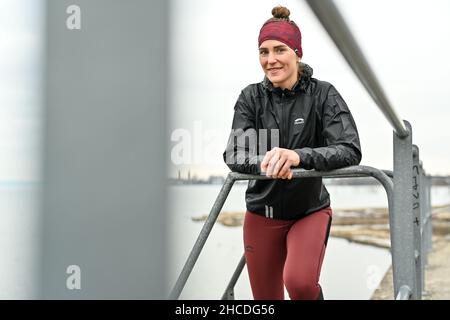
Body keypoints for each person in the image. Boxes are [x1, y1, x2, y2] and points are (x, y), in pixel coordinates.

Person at [223, 6, 362, 300]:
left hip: (308, 211)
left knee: (299, 283)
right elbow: (235, 152)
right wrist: (267, 162)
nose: (270, 60)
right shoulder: (251, 97)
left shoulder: (323, 94)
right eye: (263, 52)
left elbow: (349, 148)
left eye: (279, 50)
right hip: (262, 213)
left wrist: (299, 157)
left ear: (297, 52)